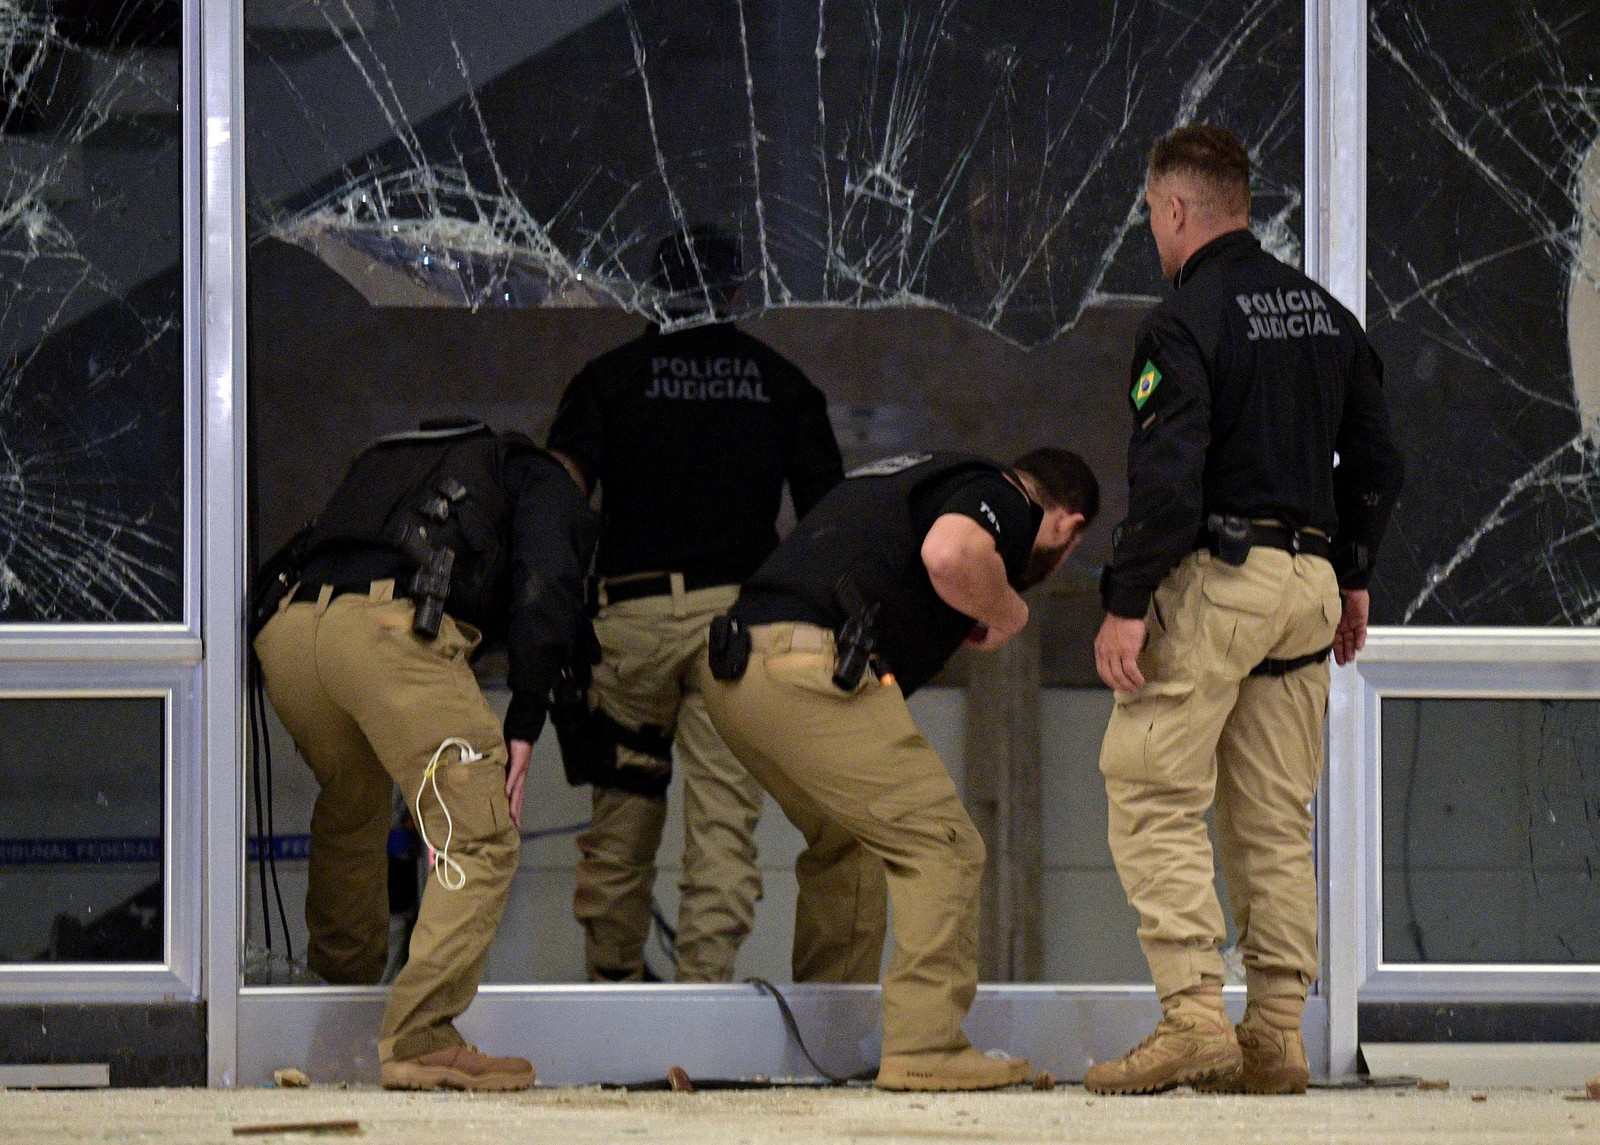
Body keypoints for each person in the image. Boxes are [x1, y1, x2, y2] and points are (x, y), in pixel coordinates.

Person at [1086, 124, 1404, 1096]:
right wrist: (1351, 572)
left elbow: (1167, 478)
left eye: (1150, 214)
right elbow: (1379, 463)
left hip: (1220, 576)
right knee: (1273, 812)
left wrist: (1125, 599)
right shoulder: (1326, 315)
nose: (1153, 230)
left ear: (1175, 208)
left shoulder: (1182, 320)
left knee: (1150, 785)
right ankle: (1273, 1034)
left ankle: (1189, 1013)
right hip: (1307, 589)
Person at [700, 448, 1099, 1091]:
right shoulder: (1005, 497)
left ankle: (829, 1043)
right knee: (945, 846)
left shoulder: (908, 479)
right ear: (1070, 525)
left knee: (851, 843)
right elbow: (952, 555)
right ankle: (926, 1045)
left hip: (739, 671)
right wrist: (1008, 611)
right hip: (809, 665)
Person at [253, 418, 596, 1091]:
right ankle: (422, 1033)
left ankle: (341, 1015)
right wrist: (526, 714)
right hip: (385, 629)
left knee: (351, 806)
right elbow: (547, 581)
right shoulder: (545, 476)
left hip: (289, 633)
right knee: (480, 836)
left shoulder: (394, 454)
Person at [546, 224, 844, 983]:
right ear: (738, 293)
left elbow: (554, 504)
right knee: (722, 828)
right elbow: (831, 525)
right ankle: (699, 1007)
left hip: (631, 625)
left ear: (653, 291)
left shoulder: (608, 379)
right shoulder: (781, 381)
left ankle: (613, 992)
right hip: (735, 634)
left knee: (622, 818)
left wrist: (550, 621)